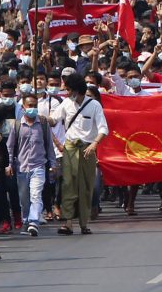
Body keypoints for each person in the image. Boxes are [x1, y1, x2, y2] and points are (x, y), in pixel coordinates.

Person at [40, 72, 108, 235]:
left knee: (85, 187)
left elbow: (103, 128)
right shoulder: (66, 104)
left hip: (87, 150)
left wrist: (94, 144)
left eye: (69, 89)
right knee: (68, 185)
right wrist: (42, 118)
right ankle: (68, 223)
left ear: (77, 90)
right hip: (70, 148)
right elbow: (54, 119)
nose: (66, 92)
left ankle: (84, 223)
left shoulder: (94, 105)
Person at [6, 92, 56, 236]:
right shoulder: (17, 125)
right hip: (21, 167)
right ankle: (26, 220)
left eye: (35, 106)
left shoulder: (43, 124)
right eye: (29, 106)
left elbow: (49, 146)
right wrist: (9, 164)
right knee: (24, 198)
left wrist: (53, 164)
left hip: (38, 166)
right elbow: (10, 147)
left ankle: (34, 222)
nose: (32, 108)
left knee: (36, 194)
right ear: (23, 107)